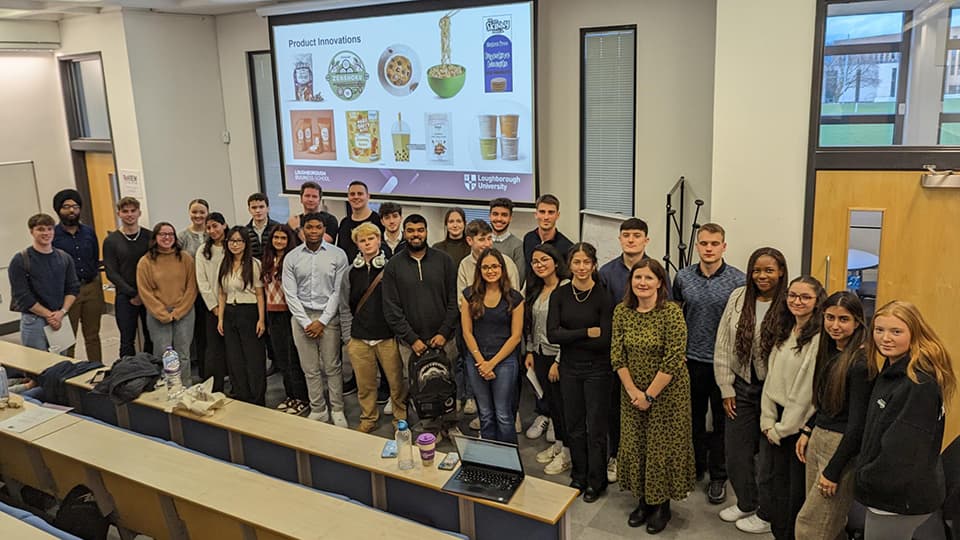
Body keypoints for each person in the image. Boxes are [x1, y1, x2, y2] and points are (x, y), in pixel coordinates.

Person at [855, 301, 956, 540]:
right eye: (879, 330)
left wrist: (865, 477)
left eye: (896, 331)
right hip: (890, 492)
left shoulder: (918, 383)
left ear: (914, 333)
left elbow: (903, 451)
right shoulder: (892, 371)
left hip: (896, 498)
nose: (885, 338)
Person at [612, 259, 694, 534]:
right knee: (637, 444)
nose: (643, 283)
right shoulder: (621, 311)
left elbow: (673, 358)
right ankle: (644, 501)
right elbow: (617, 355)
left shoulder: (671, 313)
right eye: (638, 277)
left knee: (662, 447)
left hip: (668, 394)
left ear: (660, 282)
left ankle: (661, 505)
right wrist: (634, 392)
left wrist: (649, 396)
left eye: (649, 278)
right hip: (632, 392)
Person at [714, 247, 789, 534]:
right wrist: (725, 387)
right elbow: (723, 343)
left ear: (780, 271)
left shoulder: (789, 302)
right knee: (736, 453)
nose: (762, 276)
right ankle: (746, 502)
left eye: (769, 270)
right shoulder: (738, 296)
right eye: (757, 270)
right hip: (742, 387)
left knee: (769, 460)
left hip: (776, 394)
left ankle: (767, 514)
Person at [671, 223, 745, 504]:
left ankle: (718, 476)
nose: (709, 248)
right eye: (704, 243)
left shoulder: (738, 280)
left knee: (723, 423)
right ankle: (695, 466)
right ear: (697, 246)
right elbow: (676, 315)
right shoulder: (683, 277)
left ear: (724, 246)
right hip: (690, 361)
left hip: (725, 364)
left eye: (715, 243)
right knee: (692, 419)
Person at [795, 292, 871, 540]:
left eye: (843, 319)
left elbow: (857, 426)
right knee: (828, 523)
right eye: (830, 317)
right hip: (819, 436)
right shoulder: (830, 351)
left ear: (857, 322)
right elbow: (826, 403)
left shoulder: (860, 364)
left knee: (811, 527)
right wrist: (808, 429)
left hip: (840, 446)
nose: (835, 325)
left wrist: (833, 470)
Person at [599, 217, 667, 483]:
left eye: (636, 235)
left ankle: (649, 461)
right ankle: (617, 456)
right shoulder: (606, 272)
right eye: (626, 235)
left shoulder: (657, 270)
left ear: (646, 240)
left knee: (651, 412)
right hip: (619, 356)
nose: (631, 240)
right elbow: (603, 314)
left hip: (652, 357)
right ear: (619, 239)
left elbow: (668, 308)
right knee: (617, 409)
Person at [759, 276, 825, 540]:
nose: (797, 301)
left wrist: (782, 429)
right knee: (775, 485)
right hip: (775, 420)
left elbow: (806, 392)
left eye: (805, 297)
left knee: (793, 492)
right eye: (793, 295)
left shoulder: (818, 338)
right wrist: (767, 420)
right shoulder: (786, 330)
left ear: (817, 301)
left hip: (796, 427)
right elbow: (771, 378)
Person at [547, 243, 612, 503]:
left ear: (594, 265)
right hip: (570, 368)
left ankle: (597, 480)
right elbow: (553, 335)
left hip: (598, 369)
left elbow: (604, 340)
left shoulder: (604, 296)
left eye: (587, 262)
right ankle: (579, 474)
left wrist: (570, 337)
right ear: (569, 265)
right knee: (573, 425)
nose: (582, 267)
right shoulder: (560, 295)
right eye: (577, 262)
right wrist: (586, 332)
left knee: (595, 427)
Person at [382, 214, 459, 427]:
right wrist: (412, 338)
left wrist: (444, 332)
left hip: (445, 340)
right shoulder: (393, 266)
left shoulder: (444, 260)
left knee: (448, 382)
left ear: (426, 232)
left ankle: (451, 425)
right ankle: (429, 428)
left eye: (420, 230)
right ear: (404, 233)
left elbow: (454, 300)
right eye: (411, 230)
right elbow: (391, 308)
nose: (416, 235)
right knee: (420, 386)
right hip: (410, 344)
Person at [339, 223, 407, 432]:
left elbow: (400, 303)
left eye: (371, 239)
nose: (367, 243)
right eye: (362, 240)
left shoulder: (391, 269)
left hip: (387, 337)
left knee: (397, 384)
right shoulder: (350, 272)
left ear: (379, 240)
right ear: (357, 245)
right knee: (365, 385)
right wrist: (348, 338)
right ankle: (368, 418)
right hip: (359, 338)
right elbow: (344, 306)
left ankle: (400, 419)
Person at [283, 213, 349, 427]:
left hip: (328, 317)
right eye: (309, 227)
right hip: (301, 317)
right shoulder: (292, 257)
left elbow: (338, 291)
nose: (313, 231)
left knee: (332, 367)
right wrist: (305, 322)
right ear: (302, 230)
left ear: (324, 229)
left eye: (318, 227)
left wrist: (322, 321)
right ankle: (318, 409)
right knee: (310, 369)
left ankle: (337, 409)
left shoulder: (338, 255)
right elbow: (290, 294)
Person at [457, 219, 521, 420]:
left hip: (504, 350)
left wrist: (491, 363)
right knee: (485, 411)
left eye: (489, 238)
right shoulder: (465, 268)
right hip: (477, 347)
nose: (487, 243)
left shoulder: (507, 264)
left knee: (503, 412)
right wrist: (482, 362)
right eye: (481, 239)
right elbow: (463, 312)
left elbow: (514, 301)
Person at [525, 244, 572, 474]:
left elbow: (569, 326)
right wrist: (530, 351)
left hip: (559, 357)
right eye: (535, 261)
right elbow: (531, 324)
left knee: (565, 408)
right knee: (552, 405)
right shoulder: (536, 288)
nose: (540, 264)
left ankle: (568, 454)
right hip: (540, 353)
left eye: (544, 259)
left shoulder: (566, 287)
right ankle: (559, 445)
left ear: (555, 261)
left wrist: (558, 361)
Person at [136, 222, 197, 383]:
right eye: (162, 234)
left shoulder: (185, 258)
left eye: (170, 234)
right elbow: (145, 291)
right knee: (162, 354)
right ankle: (165, 388)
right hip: (158, 315)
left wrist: (179, 311)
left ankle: (185, 386)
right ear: (155, 237)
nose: (167, 237)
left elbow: (192, 287)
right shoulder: (145, 262)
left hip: (184, 313)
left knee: (183, 354)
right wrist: (162, 313)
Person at [8, 213, 79, 353]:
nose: (46, 233)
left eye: (49, 229)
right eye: (40, 229)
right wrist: (49, 315)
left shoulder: (65, 258)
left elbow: (73, 288)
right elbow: (22, 295)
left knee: (62, 362)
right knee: (37, 363)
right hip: (34, 321)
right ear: (31, 231)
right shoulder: (20, 260)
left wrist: (62, 312)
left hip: (60, 317)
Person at [263, 224, 309, 415]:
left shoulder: (294, 260)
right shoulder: (267, 259)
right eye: (276, 238)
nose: (279, 241)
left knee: (293, 359)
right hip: (272, 313)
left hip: (290, 313)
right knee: (281, 358)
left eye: (283, 238)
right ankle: (290, 395)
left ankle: (302, 398)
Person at [217, 226, 267, 405]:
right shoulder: (224, 264)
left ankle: (257, 398)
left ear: (246, 243)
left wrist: (261, 320)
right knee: (234, 358)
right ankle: (242, 396)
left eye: (239, 241)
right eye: (231, 241)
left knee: (253, 358)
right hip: (230, 313)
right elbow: (222, 294)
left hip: (249, 312)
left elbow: (260, 294)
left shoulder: (254, 264)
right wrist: (220, 319)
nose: (235, 245)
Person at [52, 188, 103, 362]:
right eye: (66, 207)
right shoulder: (53, 235)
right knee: (68, 339)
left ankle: (97, 368)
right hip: (67, 293)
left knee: (93, 336)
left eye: (75, 206)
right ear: (59, 210)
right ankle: (69, 372)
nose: (71, 210)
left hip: (91, 287)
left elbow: (94, 257)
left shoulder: (88, 232)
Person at [102, 196, 153, 358]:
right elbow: (111, 272)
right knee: (126, 339)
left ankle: (150, 368)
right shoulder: (111, 241)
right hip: (125, 295)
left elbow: (156, 265)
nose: (129, 214)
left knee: (151, 336)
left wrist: (144, 294)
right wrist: (133, 294)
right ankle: (127, 370)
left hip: (149, 294)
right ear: (119, 214)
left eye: (133, 211)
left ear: (139, 213)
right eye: (125, 211)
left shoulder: (149, 237)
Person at [195, 213, 228, 391]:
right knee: (214, 349)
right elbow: (202, 282)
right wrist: (214, 307)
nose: (212, 230)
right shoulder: (202, 251)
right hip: (213, 307)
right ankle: (214, 388)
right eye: (208, 227)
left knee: (234, 349)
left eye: (215, 226)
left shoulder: (233, 245)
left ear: (224, 225)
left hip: (234, 305)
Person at [178, 198, 209, 378]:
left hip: (211, 291)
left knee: (210, 331)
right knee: (196, 332)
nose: (198, 215)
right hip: (191, 292)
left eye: (202, 212)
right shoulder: (182, 237)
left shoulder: (212, 233)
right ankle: (199, 370)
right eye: (194, 212)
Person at [337, 181, 383, 262]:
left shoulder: (379, 221)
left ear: (368, 196)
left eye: (360, 194)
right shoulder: (344, 223)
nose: (356, 197)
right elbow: (340, 251)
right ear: (348, 197)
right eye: (352, 194)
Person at [523, 194, 573, 266]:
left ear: (557, 215)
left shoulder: (567, 247)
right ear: (536, 214)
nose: (546, 217)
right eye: (542, 212)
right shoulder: (528, 238)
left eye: (551, 212)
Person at [489, 197, 525, 286]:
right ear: (489, 216)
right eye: (495, 214)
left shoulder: (518, 246)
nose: (499, 219)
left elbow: (518, 280)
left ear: (510, 218)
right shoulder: (481, 243)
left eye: (504, 215)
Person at [245, 193, 280, 260]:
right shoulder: (245, 231)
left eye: (261, 207)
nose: (258, 211)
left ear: (268, 208)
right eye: (254, 208)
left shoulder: (277, 228)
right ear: (249, 210)